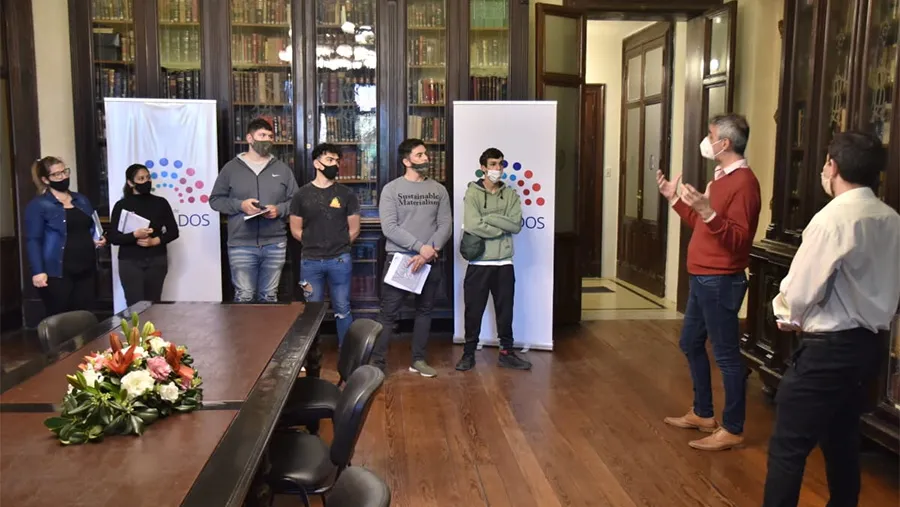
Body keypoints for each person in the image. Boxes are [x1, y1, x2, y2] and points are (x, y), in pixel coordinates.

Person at [762, 132, 899, 507]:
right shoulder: (891, 219)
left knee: (789, 446)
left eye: (826, 162)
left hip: (828, 349)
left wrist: (785, 315)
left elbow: (802, 290)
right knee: (843, 441)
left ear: (833, 166)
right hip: (869, 347)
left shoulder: (832, 219)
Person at [656, 113, 761, 451]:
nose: (707, 139)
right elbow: (705, 224)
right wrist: (674, 198)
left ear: (725, 143)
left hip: (720, 280)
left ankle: (732, 428)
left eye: (711, 134)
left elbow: (739, 239)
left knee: (727, 356)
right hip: (702, 276)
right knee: (690, 343)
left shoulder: (744, 183)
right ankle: (703, 413)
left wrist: (709, 212)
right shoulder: (719, 179)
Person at [370, 138, 452, 377]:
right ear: (406, 161)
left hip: (430, 260)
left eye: (425, 154)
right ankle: (377, 363)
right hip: (400, 259)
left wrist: (430, 250)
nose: (426, 158)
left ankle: (418, 360)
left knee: (425, 311)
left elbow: (446, 224)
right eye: (419, 155)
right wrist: (420, 248)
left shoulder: (438, 190)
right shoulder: (391, 190)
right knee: (388, 313)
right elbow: (390, 228)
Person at [455, 148, 531, 371]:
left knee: (505, 311)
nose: (497, 169)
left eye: (500, 164)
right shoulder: (472, 193)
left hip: (504, 262)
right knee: (473, 311)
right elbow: (472, 225)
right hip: (479, 262)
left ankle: (507, 353)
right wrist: (500, 226)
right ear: (483, 168)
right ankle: (468, 354)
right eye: (493, 164)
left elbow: (515, 225)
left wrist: (488, 218)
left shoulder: (510, 194)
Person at [209, 118, 297, 303]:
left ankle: (270, 333)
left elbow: (295, 201)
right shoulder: (231, 169)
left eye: (270, 136)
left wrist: (279, 209)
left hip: (275, 243)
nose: (267, 140)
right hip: (241, 243)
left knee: (270, 296)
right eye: (262, 135)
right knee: (244, 296)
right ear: (250, 138)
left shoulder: (282, 170)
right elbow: (215, 200)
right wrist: (240, 205)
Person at [290, 143, 361, 348]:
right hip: (310, 263)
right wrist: (315, 243)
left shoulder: (346, 194)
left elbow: (354, 228)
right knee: (311, 310)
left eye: (337, 161)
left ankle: (348, 353)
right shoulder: (301, 195)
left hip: (340, 260)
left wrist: (337, 244)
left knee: (343, 307)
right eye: (330, 160)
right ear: (316, 163)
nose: (335, 165)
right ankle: (310, 354)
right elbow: (295, 229)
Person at [24, 156, 106, 317]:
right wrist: (38, 271)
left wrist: (97, 238)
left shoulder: (81, 200)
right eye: (57, 174)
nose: (63, 177)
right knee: (61, 318)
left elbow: (90, 226)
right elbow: (33, 240)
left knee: (84, 317)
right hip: (58, 272)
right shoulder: (39, 205)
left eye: (64, 172)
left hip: (86, 269)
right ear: (45, 179)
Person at [108, 163, 179, 307]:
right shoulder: (121, 205)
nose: (146, 181)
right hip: (130, 261)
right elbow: (114, 237)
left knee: (155, 304)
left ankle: (154, 330)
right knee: (135, 306)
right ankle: (135, 331)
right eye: (141, 179)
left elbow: (173, 232)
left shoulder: (160, 203)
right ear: (130, 183)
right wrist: (134, 235)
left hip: (156, 259)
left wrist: (155, 241)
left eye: (148, 178)